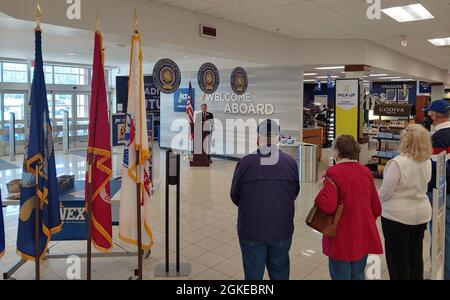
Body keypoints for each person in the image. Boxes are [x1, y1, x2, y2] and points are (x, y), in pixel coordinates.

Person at [230, 120, 300, 280]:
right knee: (280, 272)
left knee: (253, 275)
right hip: (281, 230)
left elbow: (235, 195)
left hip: (251, 230)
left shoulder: (245, 163)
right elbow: (294, 192)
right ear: (279, 138)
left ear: (257, 138)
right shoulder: (290, 163)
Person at [314, 135, 383, 280]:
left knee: (341, 275)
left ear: (338, 151)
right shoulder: (365, 172)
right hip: (362, 233)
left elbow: (327, 206)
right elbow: (376, 207)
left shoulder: (333, 172)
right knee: (358, 274)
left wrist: (321, 188)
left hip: (340, 236)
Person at [379, 124, 432, 280]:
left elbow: (385, 192)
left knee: (398, 260)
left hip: (397, 217)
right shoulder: (426, 161)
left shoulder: (398, 163)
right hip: (421, 214)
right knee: (415, 256)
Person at [424, 99, 450, 280]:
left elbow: (433, 171)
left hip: (441, 195)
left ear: (434, 115)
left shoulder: (437, 138)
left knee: (441, 239)